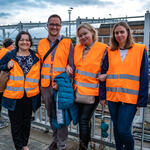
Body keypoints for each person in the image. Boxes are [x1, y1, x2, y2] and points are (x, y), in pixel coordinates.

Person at [99, 21, 149, 150]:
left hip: (130, 98)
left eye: (122, 32)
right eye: (116, 33)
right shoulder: (110, 51)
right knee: (116, 129)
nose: (119, 35)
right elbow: (104, 74)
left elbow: (144, 76)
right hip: (113, 97)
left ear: (128, 32)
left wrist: (142, 100)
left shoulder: (139, 49)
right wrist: (102, 96)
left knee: (123, 130)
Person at [37, 14, 74, 150]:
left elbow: (72, 66)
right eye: (51, 24)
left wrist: (65, 80)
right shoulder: (41, 43)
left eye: (57, 24)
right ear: (47, 25)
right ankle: (55, 140)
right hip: (46, 86)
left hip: (60, 87)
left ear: (60, 26)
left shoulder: (68, 42)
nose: (54, 27)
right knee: (51, 115)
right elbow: (38, 65)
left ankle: (61, 145)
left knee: (61, 117)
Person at [0, 31, 41, 150]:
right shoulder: (10, 55)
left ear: (30, 42)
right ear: (17, 42)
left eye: (27, 40)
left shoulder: (36, 57)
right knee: (16, 124)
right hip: (13, 96)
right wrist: (6, 66)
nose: (25, 42)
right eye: (22, 40)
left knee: (26, 122)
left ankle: (24, 144)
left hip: (30, 96)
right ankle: (19, 146)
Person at [74, 23, 107, 150]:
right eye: (80, 35)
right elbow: (74, 65)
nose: (83, 37)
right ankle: (85, 144)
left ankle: (83, 147)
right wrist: (68, 66)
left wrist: (107, 75)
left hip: (93, 92)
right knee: (84, 120)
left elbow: (112, 67)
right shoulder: (77, 48)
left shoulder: (103, 48)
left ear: (92, 33)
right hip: (78, 91)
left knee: (83, 120)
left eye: (85, 34)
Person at [0, 38, 14, 128]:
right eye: (13, 45)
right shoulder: (7, 53)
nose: (14, 47)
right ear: (9, 45)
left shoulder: (1, 51)